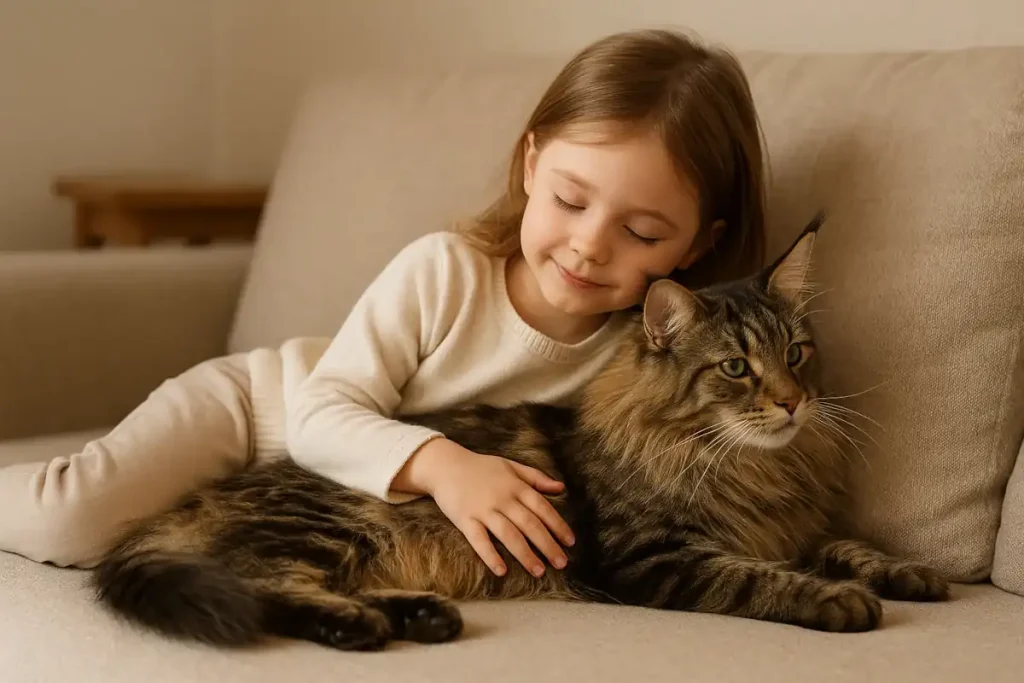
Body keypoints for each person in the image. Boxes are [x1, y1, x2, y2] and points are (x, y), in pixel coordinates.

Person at [0, 28, 767, 577]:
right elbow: (320, 414)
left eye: (640, 231)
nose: (591, 245)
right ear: (532, 165)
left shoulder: (641, 358)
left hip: (325, 503)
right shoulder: (444, 271)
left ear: (696, 248)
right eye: (571, 199)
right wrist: (445, 466)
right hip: (259, 413)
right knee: (76, 518)